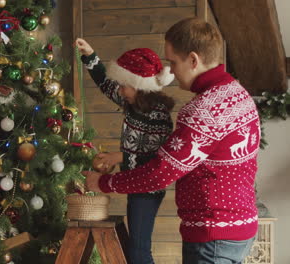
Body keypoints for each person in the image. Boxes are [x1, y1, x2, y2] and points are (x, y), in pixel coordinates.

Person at [83, 17, 259, 264]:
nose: (171, 71)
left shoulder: (203, 110)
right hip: (239, 228)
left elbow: (160, 172)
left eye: (173, 62)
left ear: (194, 60)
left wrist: (105, 183)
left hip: (213, 236)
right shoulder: (239, 95)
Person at [76, 38, 175, 264]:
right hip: (135, 182)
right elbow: (104, 82)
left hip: (148, 188)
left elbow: (156, 159)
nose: (119, 90)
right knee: (135, 248)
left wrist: (118, 156)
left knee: (139, 252)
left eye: (123, 85)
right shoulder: (132, 102)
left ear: (139, 85)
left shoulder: (158, 114)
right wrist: (90, 55)